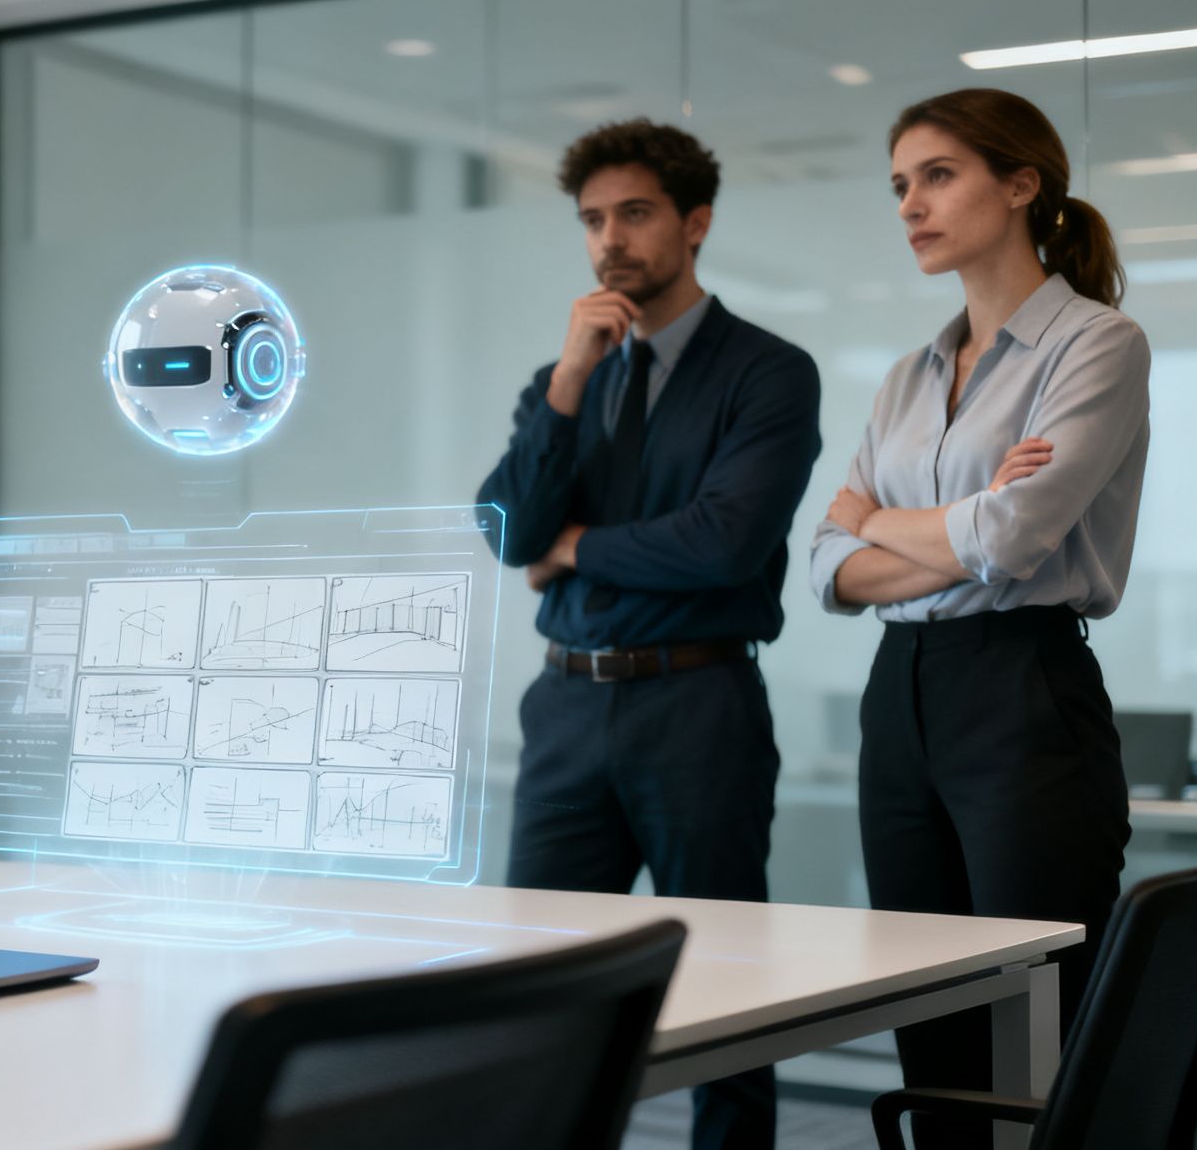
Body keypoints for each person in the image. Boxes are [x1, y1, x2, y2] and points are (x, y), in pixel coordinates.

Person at [811, 87, 1148, 1149]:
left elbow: (1008, 543)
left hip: (1021, 687)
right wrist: (954, 529)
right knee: (926, 1011)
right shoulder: (906, 377)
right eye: (899, 184)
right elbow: (825, 566)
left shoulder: (1096, 344)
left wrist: (887, 523)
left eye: (937, 175)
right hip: (896, 700)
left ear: (1019, 184)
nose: (910, 203)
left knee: (1032, 1016)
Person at [477, 119, 821, 1150]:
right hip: (567, 707)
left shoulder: (767, 372)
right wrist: (569, 382)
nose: (609, 239)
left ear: (694, 222)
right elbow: (504, 530)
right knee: (537, 978)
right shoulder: (562, 380)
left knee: (726, 982)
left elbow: (721, 545)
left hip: (695, 703)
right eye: (592, 219)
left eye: (633, 213)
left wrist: (572, 545)